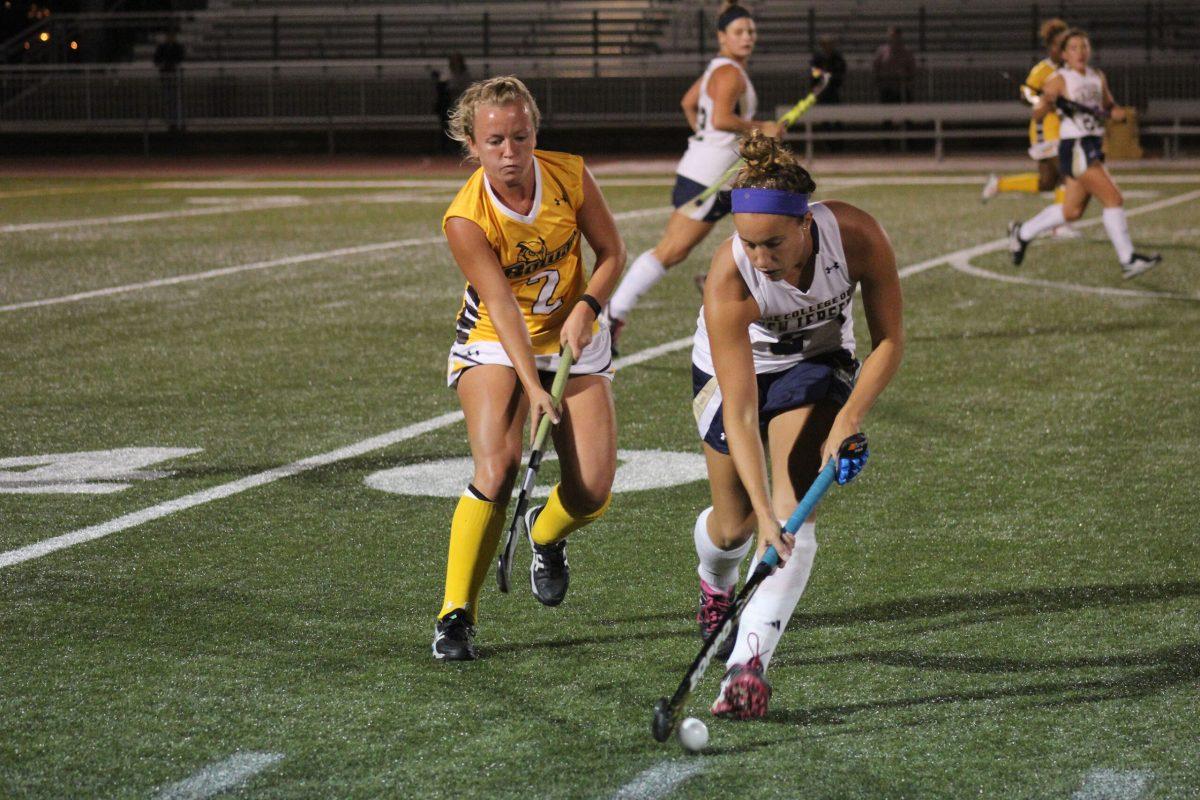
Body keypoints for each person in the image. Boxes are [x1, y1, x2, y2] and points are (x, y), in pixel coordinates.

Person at [690, 131, 904, 718]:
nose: (762, 258)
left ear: (805, 223)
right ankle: (715, 583)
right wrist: (760, 515)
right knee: (736, 528)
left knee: (792, 514)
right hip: (731, 372)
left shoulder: (856, 236)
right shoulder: (730, 278)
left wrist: (849, 418)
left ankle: (747, 668)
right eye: (748, 243)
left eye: (773, 243)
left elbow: (890, 340)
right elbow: (737, 408)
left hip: (814, 362)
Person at [434, 76, 626, 661]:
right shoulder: (466, 219)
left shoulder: (568, 174)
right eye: (495, 142)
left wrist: (589, 307)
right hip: (497, 339)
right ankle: (455, 615)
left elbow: (612, 253)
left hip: (572, 334)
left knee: (592, 492)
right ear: (472, 142)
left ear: (534, 131)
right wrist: (531, 386)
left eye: (520, 137)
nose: (510, 153)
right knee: (498, 465)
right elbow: (500, 308)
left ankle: (543, 531)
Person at [604, 0, 779, 350]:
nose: (747, 37)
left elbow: (688, 103)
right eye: (739, 32)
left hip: (714, 172)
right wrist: (761, 128)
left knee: (765, 227)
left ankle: (728, 283)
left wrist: (707, 144)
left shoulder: (718, 68)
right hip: (707, 179)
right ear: (722, 37)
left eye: (751, 31)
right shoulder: (729, 72)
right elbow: (720, 120)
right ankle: (610, 316)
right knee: (670, 251)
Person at [1008, 29, 1161, 279]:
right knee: (1114, 198)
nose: (1080, 52)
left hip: (1092, 145)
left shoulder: (1096, 77)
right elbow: (1037, 113)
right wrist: (1047, 101)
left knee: (1071, 212)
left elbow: (1108, 108)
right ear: (1065, 54)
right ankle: (1128, 259)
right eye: (1074, 48)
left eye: (1084, 47)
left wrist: (1117, 113)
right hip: (1075, 146)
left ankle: (1022, 233)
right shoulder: (1059, 79)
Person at [981, 18, 1078, 240]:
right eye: (1057, 45)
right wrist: (1039, 99)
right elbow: (1026, 94)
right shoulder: (1042, 69)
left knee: (1046, 183)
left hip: (1062, 129)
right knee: (1066, 174)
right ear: (1050, 46)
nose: (1061, 49)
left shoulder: (1068, 69)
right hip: (1046, 129)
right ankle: (1059, 226)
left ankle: (999, 184)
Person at [810, 34, 847, 153]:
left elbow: (841, 72)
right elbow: (814, 74)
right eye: (825, 44)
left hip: (834, 91)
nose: (828, 46)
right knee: (824, 121)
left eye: (830, 44)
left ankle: (839, 146)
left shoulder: (837, 57)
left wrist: (829, 77)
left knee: (837, 119)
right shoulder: (817, 58)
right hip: (822, 93)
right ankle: (829, 146)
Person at [872, 26, 915, 104]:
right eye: (891, 36)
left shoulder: (907, 52)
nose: (893, 38)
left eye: (895, 36)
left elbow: (912, 70)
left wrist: (904, 74)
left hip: (901, 88)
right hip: (886, 88)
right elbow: (875, 67)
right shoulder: (881, 51)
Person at [153, 30, 186, 131]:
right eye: (169, 35)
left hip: (175, 76)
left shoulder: (178, 47)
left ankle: (177, 120)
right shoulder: (162, 47)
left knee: (176, 99)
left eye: (172, 36)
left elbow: (181, 58)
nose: (170, 37)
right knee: (168, 99)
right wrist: (163, 64)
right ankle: (170, 121)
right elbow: (156, 60)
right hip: (166, 75)